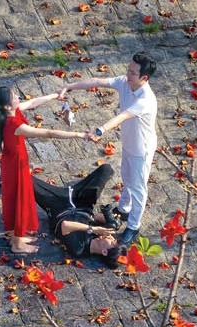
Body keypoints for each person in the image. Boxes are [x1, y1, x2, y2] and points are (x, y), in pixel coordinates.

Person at [58, 51, 158, 246]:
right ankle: (123, 209)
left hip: (142, 149)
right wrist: (70, 86)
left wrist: (100, 130)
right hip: (130, 143)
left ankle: (133, 227)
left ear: (144, 78)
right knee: (127, 176)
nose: (128, 75)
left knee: (138, 187)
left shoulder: (145, 99)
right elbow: (98, 81)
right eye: (128, 70)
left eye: (133, 73)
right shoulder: (125, 82)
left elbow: (122, 116)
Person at [0, 86, 90, 254]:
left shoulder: (8, 114)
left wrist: (54, 95)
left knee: (17, 199)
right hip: (15, 168)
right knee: (18, 200)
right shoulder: (14, 124)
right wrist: (79, 135)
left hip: (13, 163)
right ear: (7, 106)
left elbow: (32, 102)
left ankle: (17, 236)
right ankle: (17, 244)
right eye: (13, 96)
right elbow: (48, 132)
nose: (17, 97)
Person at [33, 163, 122, 268]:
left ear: (104, 252)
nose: (111, 238)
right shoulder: (99, 234)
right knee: (106, 169)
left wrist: (93, 229)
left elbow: (65, 225)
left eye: (112, 243)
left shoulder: (80, 249)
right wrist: (108, 219)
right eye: (114, 239)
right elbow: (96, 217)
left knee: (25, 180)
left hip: (58, 205)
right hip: (82, 202)